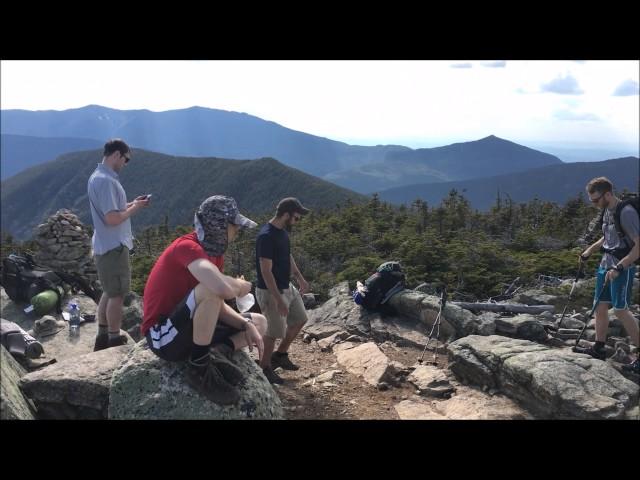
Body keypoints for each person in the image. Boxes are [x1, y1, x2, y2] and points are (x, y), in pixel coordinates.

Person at [141, 195, 267, 405]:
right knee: (208, 287)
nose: (237, 231)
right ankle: (199, 367)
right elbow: (218, 289)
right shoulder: (187, 248)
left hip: (186, 327)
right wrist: (240, 286)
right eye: (233, 225)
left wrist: (245, 324)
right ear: (219, 226)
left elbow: (214, 303)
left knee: (259, 323)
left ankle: (214, 354)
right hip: (162, 337)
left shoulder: (214, 256)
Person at [88, 139, 150, 352]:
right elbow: (113, 219)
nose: (126, 163)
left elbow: (113, 209)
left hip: (105, 244)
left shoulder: (98, 177)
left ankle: (103, 335)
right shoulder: (106, 181)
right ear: (116, 155)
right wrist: (136, 209)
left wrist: (133, 203)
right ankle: (114, 340)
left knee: (108, 290)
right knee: (117, 294)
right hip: (114, 246)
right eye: (126, 159)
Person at [576, 177, 639, 374]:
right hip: (605, 265)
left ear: (608, 194)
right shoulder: (607, 210)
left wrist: (620, 267)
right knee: (600, 306)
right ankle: (599, 347)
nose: (594, 204)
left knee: (620, 310)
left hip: (622, 267)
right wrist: (590, 250)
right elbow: (608, 235)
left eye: (596, 200)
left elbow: (639, 246)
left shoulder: (626, 213)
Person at [255, 197, 310, 384]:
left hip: (287, 286)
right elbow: (265, 270)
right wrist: (278, 299)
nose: (297, 221)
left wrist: (299, 278)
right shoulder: (266, 236)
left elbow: (287, 256)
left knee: (300, 319)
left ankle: (280, 355)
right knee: (272, 332)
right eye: (296, 217)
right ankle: (264, 368)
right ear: (286, 215)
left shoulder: (282, 232)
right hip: (271, 291)